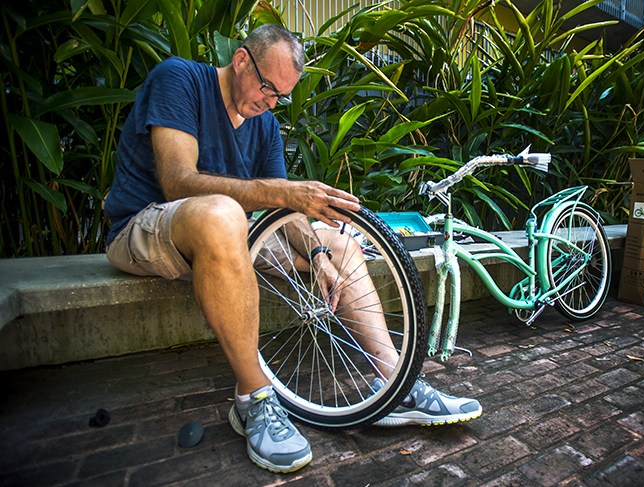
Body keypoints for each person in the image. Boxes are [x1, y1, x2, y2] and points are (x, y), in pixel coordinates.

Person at [104, 24, 482, 474]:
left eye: (280, 96)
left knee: (338, 241)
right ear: (241, 60)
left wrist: (319, 255)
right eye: (267, 87)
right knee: (222, 213)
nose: (270, 103)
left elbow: (286, 213)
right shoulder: (180, 79)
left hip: (231, 239)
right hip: (148, 229)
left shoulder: (263, 122)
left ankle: (395, 386)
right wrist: (283, 193)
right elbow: (178, 182)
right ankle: (254, 399)